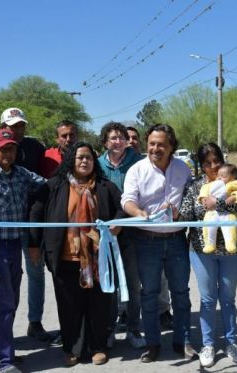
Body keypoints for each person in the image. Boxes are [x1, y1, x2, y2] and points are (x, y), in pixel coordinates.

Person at [30, 142, 124, 367]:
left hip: (98, 260)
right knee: (69, 307)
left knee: (98, 305)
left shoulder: (105, 187)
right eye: (80, 157)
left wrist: (117, 225)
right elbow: (35, 212)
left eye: (89, 158)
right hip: (64, 259)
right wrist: (33, 245)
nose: (84, 161)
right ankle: (72, 349)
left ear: (95, 161)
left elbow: (121, 209)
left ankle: (98, 347)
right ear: (71, 160)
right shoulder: (54, 186)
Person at [0, 128, 46, 373]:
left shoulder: (21, 174)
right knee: (3, 305)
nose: (8, 153)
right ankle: (3, 362)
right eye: (3, 149)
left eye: (12, 148)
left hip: (14, 246)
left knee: (10, 303)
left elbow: (46, 184)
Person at [121, 123, 196, 363]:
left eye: (161, 144)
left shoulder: (183, 169)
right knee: (149, 294)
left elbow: (192, 201)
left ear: (171, 146)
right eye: (152, 143)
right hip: (146, 241)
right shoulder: (137, 170)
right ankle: (153, 344)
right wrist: (137, 212)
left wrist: (180, 214)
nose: (155, 148)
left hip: (176, 240)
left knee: (181, 293)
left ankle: (182, 341)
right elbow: (128, 200)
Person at [0, 108, 53, 343]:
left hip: (30, 223)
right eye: (11, 126)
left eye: (20, 125)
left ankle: (34, 322)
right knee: (4, 294)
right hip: (0, 235)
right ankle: (0, 347)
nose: (16, 130)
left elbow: (45, 184)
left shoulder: (33, 152)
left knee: (33, 273)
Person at [178, 143, 237, 368]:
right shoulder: (194, 185)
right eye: (207, 163)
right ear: (201, 166)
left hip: (233, 251)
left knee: (228, 299)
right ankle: (208, 345)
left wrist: (217, 202)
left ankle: (231, 343)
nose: (212, 166)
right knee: (208, 299)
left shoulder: (236, 179)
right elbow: (189, 213)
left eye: (216, 161)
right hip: (202, 251)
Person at [97, 122, 145, 349]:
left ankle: (134, 329)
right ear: (105, 142)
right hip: (106, 234)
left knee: (134, 285)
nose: (117, 142)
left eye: (120, 137)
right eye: (112, 138)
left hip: (133, 234)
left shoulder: (139, 163)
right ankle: (108, 330)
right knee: (109, 286)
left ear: (127, 140)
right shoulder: (97, 165)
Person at [198, 163, 237, 254]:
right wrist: (203, 199)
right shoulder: (210, 185)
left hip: (227, 214)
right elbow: (204, 191)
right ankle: (209, 244)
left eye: (223, 176)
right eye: (218, 176)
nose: (219, 178)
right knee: (209, 226)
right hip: (212, 213)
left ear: (233, 177)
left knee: (229, 227)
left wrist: (234, 197)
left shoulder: (234, 184)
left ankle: (230, 243)